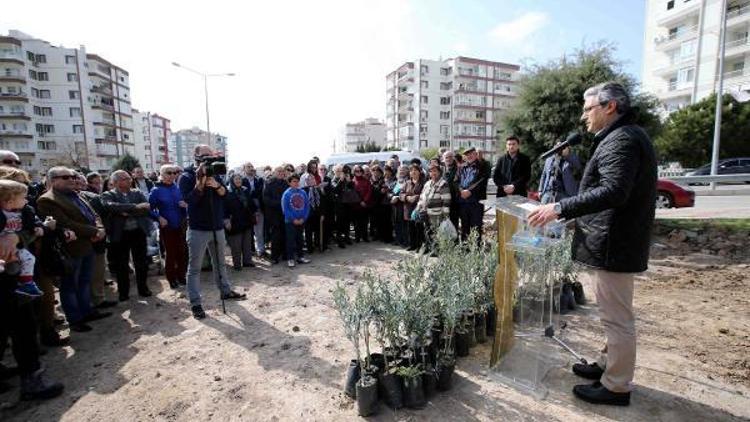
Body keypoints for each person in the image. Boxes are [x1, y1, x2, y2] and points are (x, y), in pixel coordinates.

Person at [528, 82, 657, 406]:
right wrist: (571, 217)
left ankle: (616, 386)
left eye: (588, 109)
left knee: (618, 318)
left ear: (609, 106)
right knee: (611, 313)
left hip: (616, 245)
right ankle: (606, 366)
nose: (584, 116)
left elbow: (614, 191)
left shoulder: (622, 140)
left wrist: (559, 207)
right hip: (615, 242)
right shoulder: (622, 136)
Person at [37, 167, 111, 333]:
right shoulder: (47, 200)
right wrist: (94, 232)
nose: (72, 179)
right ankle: (75, 319)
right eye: (66, 177)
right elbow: (66, 223)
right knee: (70, 285)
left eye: (72, 176)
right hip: (70, 248)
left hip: (88, 245)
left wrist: (99, 228)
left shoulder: (77, 194)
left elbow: (94, 215)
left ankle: (87, 311)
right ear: (53, 180)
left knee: (84, 281)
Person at [180, 145, 246, 320]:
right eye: (205, 156)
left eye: (211, 155)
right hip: (197, 229)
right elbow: (189, 200)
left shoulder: (216, 172)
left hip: (217, 228)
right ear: (196, 156)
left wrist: (216, 185)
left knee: (220, 264)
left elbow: (225, 196)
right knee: (194, 269)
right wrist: (200, 183)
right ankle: (195, 303)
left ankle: (225, 291)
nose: (209, 159)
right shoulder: (186, 176)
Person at [100, 170, 154, 300]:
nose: (130, 180)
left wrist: (125, 211)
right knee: (121, 265)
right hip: (120, 234)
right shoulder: (108, 195)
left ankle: (143, 288)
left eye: (129, 178)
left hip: (138, 232)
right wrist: (135, 207)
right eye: (125, 179)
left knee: (141, 262)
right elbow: (110, 207)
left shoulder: (137, 192)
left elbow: (146, 208)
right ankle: (123, 293)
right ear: (116, 182)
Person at [77, 174, 118, 310]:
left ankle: (98, 299)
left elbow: (98, 216)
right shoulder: (63, 199)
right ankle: (86, 304)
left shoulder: (90, 197)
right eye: (78, 182)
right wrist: (92, 232)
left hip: (98, 239)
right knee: (84, 275)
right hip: (81, 241)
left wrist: (100, 230)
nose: (80, 185)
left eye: (82, 182)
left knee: (98, 271)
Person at [0, 180, 43, 297]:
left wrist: (36, 227)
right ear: (9, 202)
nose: (27, 200)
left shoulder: (26, 212)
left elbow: (33, 223)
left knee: (29, 259)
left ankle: (26, 282)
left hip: (18, 247)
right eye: (23, 198)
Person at [149, 165, 188, 288]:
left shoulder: (176, 188)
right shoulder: (156, 190)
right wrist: (159, 218)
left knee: (182, 252)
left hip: (180, 225)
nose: (172, 175)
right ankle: (171, 279)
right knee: (170, 253)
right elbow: (149, 209)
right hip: (167, 227)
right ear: (162, 174)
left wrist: (185, 206)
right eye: (169, 173)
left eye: (174, 173)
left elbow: (183, 204)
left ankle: (181, 276)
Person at [224, 173, 257, 271]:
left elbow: (251, 203)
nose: (238, 181)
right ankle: (237, 264)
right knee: (236, 244)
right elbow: (224, 208)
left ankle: (247, 261)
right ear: (232, 180)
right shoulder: (227, 192)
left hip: (246, 220)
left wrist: (255, 213)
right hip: (234, 221)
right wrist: (226, 220)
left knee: (247, 243)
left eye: (239, 179)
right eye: (236, 179)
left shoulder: (245, 190)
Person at [417, 164, 451, 254]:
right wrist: (419, 207)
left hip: (437, 214)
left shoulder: (443, 183)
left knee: (436, 232)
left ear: (439, 172)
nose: (433, 173)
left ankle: (436, 250)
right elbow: (421, 196)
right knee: (427, 231)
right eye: (431, 171)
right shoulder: (427, 183)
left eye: (435, 171)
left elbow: (446, 201)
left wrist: (445, 215)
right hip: (426, 213)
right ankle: (429, 248)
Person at [457, 148, 490, 242]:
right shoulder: (462, 167)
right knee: (464, 226)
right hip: (463, 201)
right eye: (467, 155)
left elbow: (482, 181)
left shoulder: (482, 166)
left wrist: (470, 191)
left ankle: (476, 250)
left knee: (476, 226)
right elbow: (456, 181)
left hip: (476, 201)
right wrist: (461, 191)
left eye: (471, 154)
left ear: (476, 154)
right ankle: (465, 249)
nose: (469, 156)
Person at [281, 174, 311, 268]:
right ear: (289, 183)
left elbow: (307, 206)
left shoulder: (303, 192)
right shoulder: (286, 194)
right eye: (294, 181)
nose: (296, 183)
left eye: (297, 181)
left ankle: (300, 257)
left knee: (300, 239)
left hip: (301, 221)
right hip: (290, 222)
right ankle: (290, 259)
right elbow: (285, 209)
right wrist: (293, 219)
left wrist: (303, 218)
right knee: (290, 240)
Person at [263, 166, 289, 264]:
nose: (281, 173)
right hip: (274, 214)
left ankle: (285, 255)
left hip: (285, 214)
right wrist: (279, 203)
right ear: (274, 172)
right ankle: (274, 257)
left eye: (283, 171)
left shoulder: (286, 183)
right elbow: (266, 199)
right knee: (276, 236)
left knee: (285, 234)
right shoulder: (269, 183)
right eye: (279, 171)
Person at [241, 162, 265, 258]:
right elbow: (244, 195)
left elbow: (259, 192)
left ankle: (261, 249)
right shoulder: (241, 180)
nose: (251, 168)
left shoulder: (259, 180)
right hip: (246, 209)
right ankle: (249, 250)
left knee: (259, 230)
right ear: (244, 169)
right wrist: (250, 194)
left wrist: (250, 193)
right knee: (247, 231)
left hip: (258, 208)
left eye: (252, 167)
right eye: (248, 167)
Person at [299, 160, 322, 253]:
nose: (312, 180)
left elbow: (320, 201)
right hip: (307, 213)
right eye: (309, 179)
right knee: (308, 231)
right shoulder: (303, 190)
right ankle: (309, 248)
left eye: (313, 179)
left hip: (316, 211)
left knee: (316, 229)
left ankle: (317, 245)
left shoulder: (316, 189)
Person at [401, 164, 424, 251]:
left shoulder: (423, 182)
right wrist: (407, 197)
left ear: (419, 172)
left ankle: (419, 246)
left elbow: (425, 194)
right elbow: (401, 194)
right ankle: (412, 245)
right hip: (408, 208)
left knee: (419, 228)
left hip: (419, 208)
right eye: (411, 170)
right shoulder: (407, 183)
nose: (413, 172)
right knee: (410, 228)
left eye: (415, 170)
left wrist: (416, 197)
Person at [331, 165, 355, 248]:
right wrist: (341, 180)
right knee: (339, 223)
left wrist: (349, 181)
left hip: (347, 204)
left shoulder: (346, 179)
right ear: (334, 172)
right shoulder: (334, 180)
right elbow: (335, 190)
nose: (340, 172)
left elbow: (352, 188)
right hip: (339, 205)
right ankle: (339, 239)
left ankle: (347, 237)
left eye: (341, 171)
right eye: (337, 171)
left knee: (347, 222)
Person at [390, 165, 409, 247]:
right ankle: (398, 239)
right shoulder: (395, 182)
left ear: (407, 172)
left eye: (403, 170)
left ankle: (405, 241)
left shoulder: (408, 182)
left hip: (404, 206)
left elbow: (408, 192)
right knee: (396, 223)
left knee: (404, 224)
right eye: (400, 170)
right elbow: (390, 191)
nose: (401, 172)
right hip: (395, 206)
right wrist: (391, 196)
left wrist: (398, 197)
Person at [442, 150, 460, 229]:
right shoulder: (441, 170)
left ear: (453, 158)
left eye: (450, 157)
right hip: (443, 201)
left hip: (454, 202)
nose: (448, 159)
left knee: (454, 224)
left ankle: (455, 241)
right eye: (446, 157)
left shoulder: (459, 169)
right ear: (443, 159)